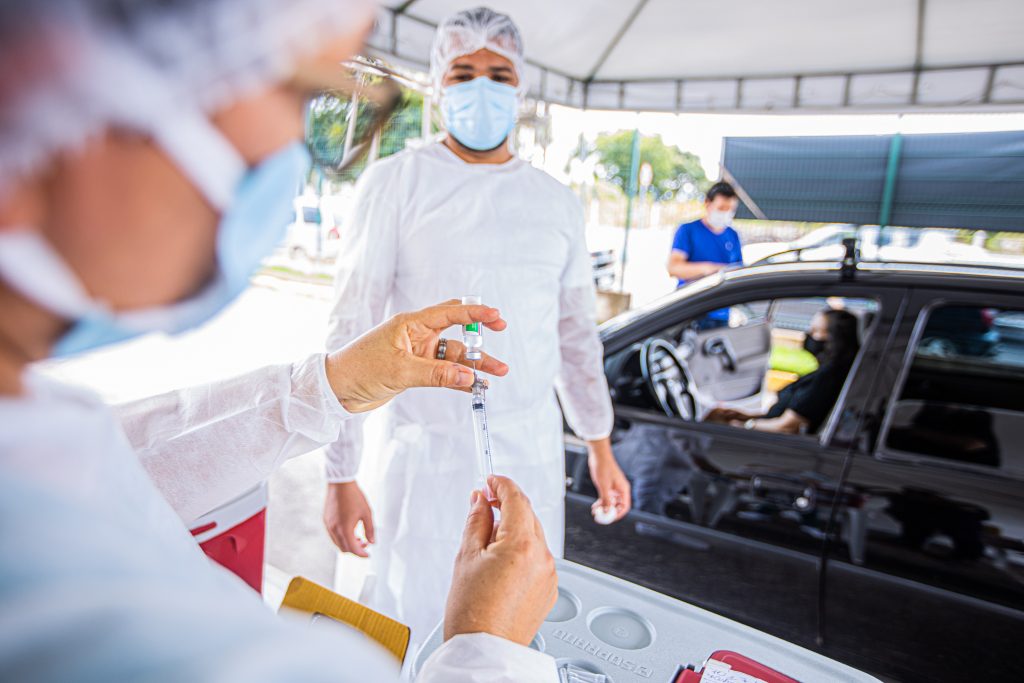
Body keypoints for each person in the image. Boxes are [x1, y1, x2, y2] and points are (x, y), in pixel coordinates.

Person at [0, 1, 560, 680]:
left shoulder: (35, 436)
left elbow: (122, 466)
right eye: (302, 91)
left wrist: (325, 389)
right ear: (48, 85)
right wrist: (485, 648)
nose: (291, 160)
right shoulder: (94, 625)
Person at [322, 6, 632, 642]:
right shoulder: (397, 184)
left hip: (533, 455)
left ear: (520, 87)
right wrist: (340, 472)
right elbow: (349, 327)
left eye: (499, 72)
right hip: (425, 453)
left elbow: (575, 338)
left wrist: (599, 444)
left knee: (519, 624)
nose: (482, 86)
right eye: (464, 72)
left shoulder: (555, 202)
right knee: (415, 614)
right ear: (439, 83)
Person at [706, 309, 860, 434]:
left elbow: (787, 427)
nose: (808, 335)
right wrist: (745, 415)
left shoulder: (826, 378)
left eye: (815, 331)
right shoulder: (830, 372)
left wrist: (742, 425)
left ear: (833, 338)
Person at [667, 182, 742, 328]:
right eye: (721, 208)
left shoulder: (732, 236)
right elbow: (674, 268)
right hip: (690, 310)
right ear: (708, 204)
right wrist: (709, 269)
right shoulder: (688, 230)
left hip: (721, 313)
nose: (725, 213)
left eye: (730, 209)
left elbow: (738, 271)